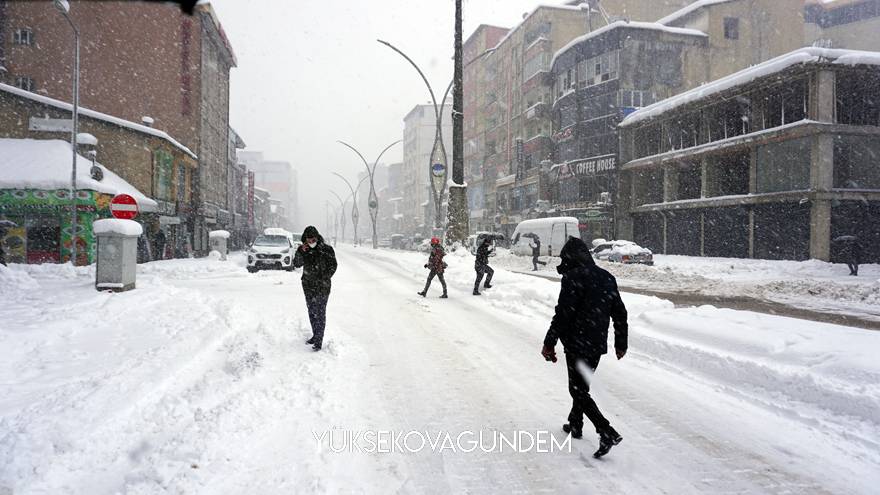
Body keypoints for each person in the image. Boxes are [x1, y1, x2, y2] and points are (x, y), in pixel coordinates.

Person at [541, 236, 628, 459]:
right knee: (582, 385)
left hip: (577, 342)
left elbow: (563, 313)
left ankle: (605, 430)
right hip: (596, 343)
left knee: (577, 389)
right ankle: (576, 424)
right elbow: (619, 312)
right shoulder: (606, 277)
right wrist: (621, 342)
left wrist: (549, 342)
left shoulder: (572, 277)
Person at [293, 226, 338, 351]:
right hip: (308, 285)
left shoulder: (326, 249)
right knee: (312, 311)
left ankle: (319, 340)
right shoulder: (303, 250)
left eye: (313, 240)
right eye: (309, 240)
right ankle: (315, 334)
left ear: (317, 238)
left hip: (323, 286)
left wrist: (325, 277)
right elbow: (296, 263)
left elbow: (333, 265)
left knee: (320, 311)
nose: (311, 242)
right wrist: (301, 251)